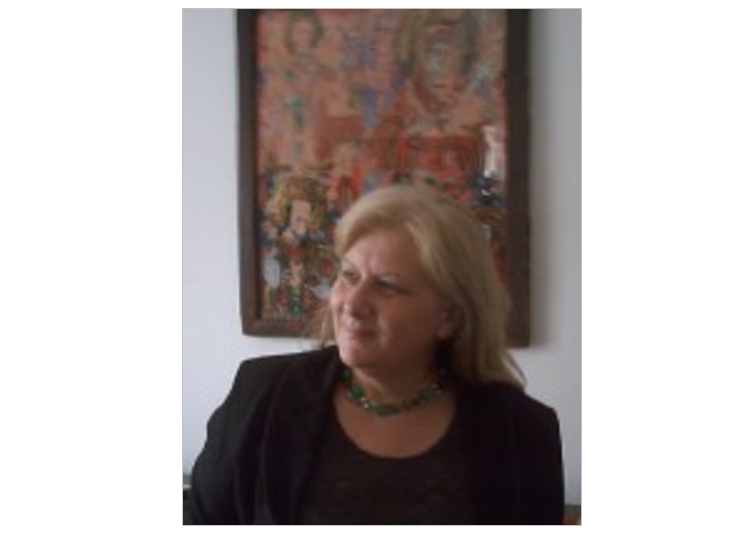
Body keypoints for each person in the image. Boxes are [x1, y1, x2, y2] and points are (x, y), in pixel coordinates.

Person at [184, 185, 564, 524]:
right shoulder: (261, 396)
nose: (353, 303)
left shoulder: (521, 433)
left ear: (447, 316)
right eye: (349, 275)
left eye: (387, 286)